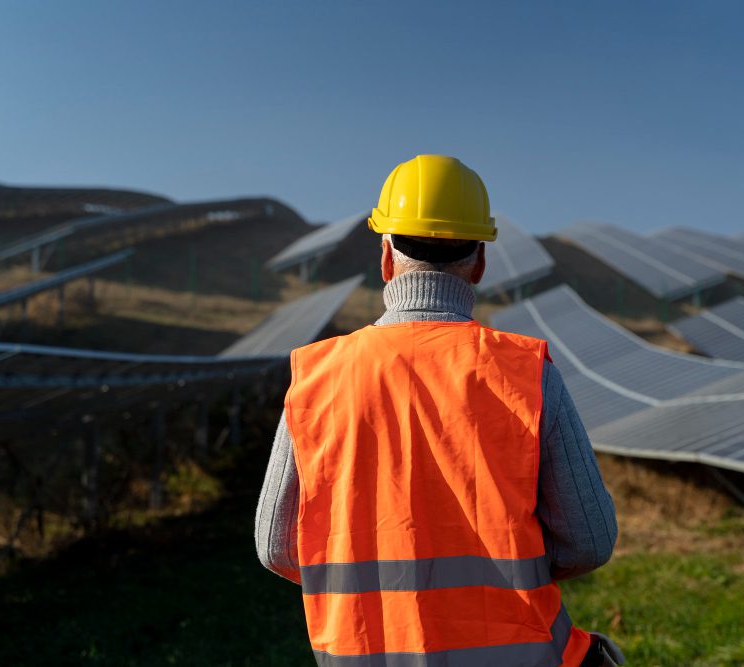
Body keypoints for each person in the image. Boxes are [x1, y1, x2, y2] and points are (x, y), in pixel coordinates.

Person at [255, 154, 623, 666]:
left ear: (386, 257)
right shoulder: (526, 373)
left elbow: (276, 546)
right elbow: (589, 542)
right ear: (480, 261)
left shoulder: (317, 377)